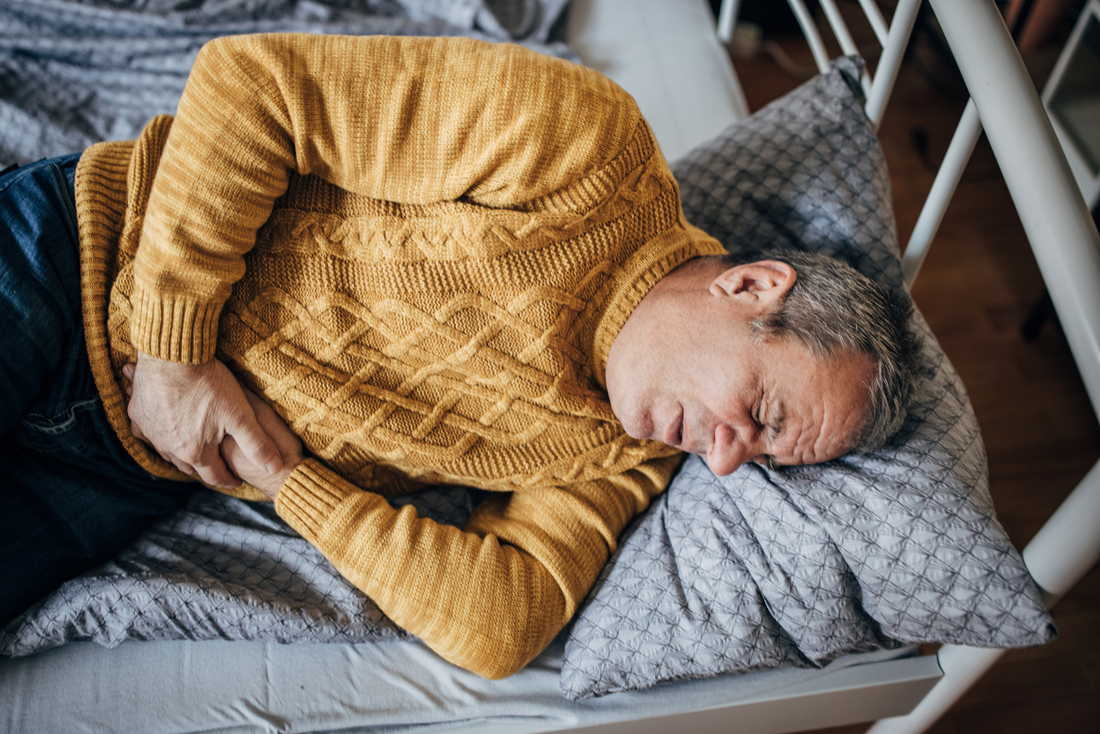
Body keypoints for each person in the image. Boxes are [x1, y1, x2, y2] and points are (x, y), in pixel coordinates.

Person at [0, 33, 918, 678]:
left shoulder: (626, 454)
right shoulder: (587, 152)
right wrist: (172, 356)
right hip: (80, 255)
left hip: (126, 466)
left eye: (750, 456)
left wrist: (289, 482)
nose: (718, 457)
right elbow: (253, 86)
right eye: (758, 416)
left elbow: (499, 626)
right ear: (752, 287)